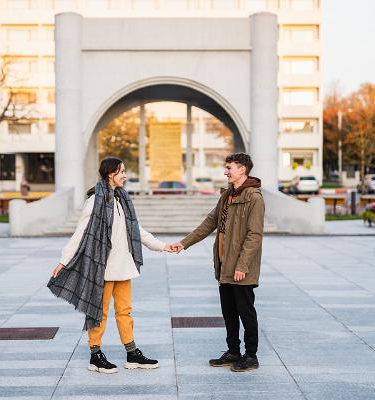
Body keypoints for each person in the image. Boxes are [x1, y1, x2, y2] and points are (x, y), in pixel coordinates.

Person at [49, 157, 175, 374]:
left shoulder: (122, 199)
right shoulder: (94, 201)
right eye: (122, 172)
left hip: (123, 265)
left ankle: (132, 353)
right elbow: (80, 233)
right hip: (103, 267)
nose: (125, 175)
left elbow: (137, 230)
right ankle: (95, 355)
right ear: (111, 174)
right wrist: (64, 260)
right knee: (100, 312)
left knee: (125, 311)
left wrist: (163, 246)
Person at [171, 153, 265, 372]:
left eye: (229, 168)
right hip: (224, 264)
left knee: (246, 312)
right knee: (229, 311)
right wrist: (184, 243)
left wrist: (243, 265)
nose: (225, 171)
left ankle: (251, 356)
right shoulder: (227, 196)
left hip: (241, 267)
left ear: (242, 169)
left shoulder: (254, 198)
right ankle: (233, 351)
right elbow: (209, 223)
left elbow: (255, 235)